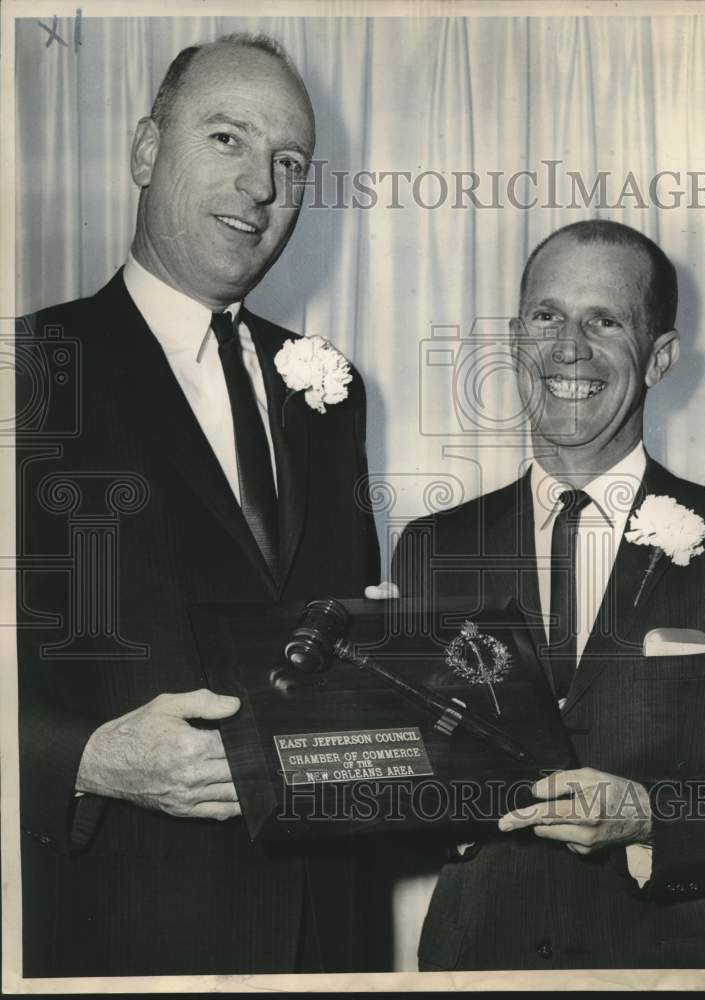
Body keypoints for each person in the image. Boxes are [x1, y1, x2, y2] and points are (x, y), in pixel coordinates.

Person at [16, 34, 381, 976]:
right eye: (227, 138)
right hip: (116, 931)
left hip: (328, 933)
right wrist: (84, 759)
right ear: (146, 152)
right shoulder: (29, 370)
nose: (260, 186)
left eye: (288, 162)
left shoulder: (332, 386)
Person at [391, 220, 705, 970]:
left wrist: (647, 817)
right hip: (480, 960)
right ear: (513, 339)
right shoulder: (432, 547)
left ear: (660, 356)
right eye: (547, 316)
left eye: (605, 319)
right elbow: (402, 785)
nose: (569, 347)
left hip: (679, 965)